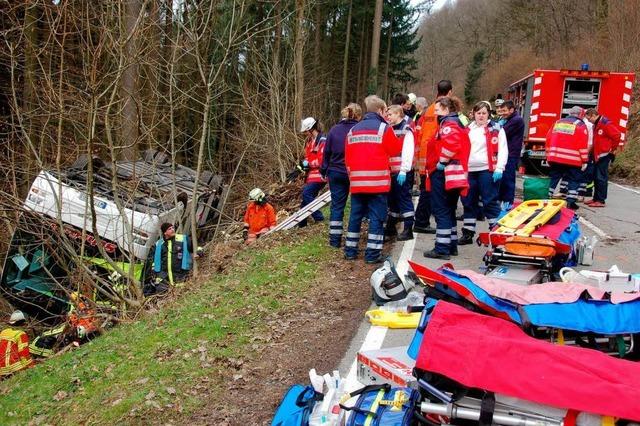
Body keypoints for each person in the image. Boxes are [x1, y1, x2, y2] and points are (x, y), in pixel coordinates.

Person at [344, 95, 402, 263]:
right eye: (385, 111)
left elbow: (347, 158)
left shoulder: (353, 129)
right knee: (377, 218)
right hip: (377, 183)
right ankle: (372, 255)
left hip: (357, 183)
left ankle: (350, 251)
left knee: (355, 216)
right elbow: (394, 149)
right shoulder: (384, 129)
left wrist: (353, 177)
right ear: (380, 110)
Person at [423, 96, 470, 260]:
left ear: (445, 108)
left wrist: (442, 161)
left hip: (445, 172)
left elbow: (452, 144)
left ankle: (442, 248)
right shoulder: (454, 122)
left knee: (441, 209)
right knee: (449, 209)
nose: (435, 113)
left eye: (437, 110)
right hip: (454, 173)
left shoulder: (448, 124)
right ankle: (451, 244)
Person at [459, 101, 508, 245]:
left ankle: (496, 232)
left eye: (484, 113)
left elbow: (503, 149)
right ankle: (468, 233)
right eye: (478, 113)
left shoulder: (497, 129)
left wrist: (500, 168)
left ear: (489, 114)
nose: (481, 116)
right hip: (469, 170)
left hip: (487, 169)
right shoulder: (468, 129)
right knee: (468, 202)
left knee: (489, 201)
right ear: (473, 114)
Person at [414, 80, 456, 234]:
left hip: (425, 155)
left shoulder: (428, 110)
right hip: (433, 156)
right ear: (450, 92)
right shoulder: (442, 109)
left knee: (427, 189)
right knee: (428, 190)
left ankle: (421, 220)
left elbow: (420, 133)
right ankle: (421, 221)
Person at [321, 103, 362, 248]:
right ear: (358, 116)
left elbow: (326, 153)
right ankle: (352, 240)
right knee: (356, 206)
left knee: (337, 206)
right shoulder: (358, 130)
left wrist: (323, 170)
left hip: (335, 172)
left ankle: (334, 240)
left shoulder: (334, 130)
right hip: (354, 172)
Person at [546, 106, 589, 210]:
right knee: (574, 180)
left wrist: (548, 155)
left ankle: (545, 197)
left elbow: (548, 138)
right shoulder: (581, 126)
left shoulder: (558, 123)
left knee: (554, 178)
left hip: (556, 157)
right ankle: (570, 202)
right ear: (580, 115)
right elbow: (583, 144)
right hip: (573, 159)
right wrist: (585, 160)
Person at [385, 104, 416, 241]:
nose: (388, 117)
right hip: (392, 171)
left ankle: (408, 228)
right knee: (393, 200)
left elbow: (408, 151)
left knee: (404, 199)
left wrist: (404, 170)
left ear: (398, 114)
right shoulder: (390, 129)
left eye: (390, 114)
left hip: (402, 172)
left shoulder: (406, 129)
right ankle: (391, 227)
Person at [148, 222, 200, 295]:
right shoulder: (159, 244)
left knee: (181, 295)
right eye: (169, 229)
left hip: (180, 274)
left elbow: (195, 247)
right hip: (164, 277)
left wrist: (199, 252)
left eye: (173, 228)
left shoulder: (183, 239)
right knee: (163, 296)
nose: (172, 230)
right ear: (165, 233)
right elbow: (154, 259)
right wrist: (154, 271)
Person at [584, 108, 622, 207]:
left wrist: (612, 149)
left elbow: (617, 135)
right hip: (597, 155)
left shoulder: (605, 123)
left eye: (589, 119)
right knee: (596, 177)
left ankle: (601, 200)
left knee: (601, 178)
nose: (589, 121)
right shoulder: (597, 124)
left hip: (604, 155)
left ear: (593, 115)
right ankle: (596, 198)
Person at [496, 100, 525, 209]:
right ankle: (501, 200)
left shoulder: (516, 120)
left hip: (511, 153)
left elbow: (502, 133)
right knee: (503, 179)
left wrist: (498, 127)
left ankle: (508, 201)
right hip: (507, 152)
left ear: (511, 110)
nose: (502, 113)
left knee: (508, 178)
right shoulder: (510, 119)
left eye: (504, 111)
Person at [298, 117, 327, 227]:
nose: (305, 134)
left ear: (311, 129)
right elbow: (308, 157)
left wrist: (309, 164)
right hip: (312, 175)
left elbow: (322, 161)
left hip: (320, 175)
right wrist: (303, 164)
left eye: (306, 131)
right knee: (306, 200)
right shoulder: (310, 142)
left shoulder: (322, 141)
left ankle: (319, 218)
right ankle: (302, 223)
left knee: (306, 194)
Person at [0, 310, 34, 376]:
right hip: (15, 368)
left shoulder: (3, 332)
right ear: (23, 323)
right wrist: (30, 366)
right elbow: (23, 353)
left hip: (1, 370)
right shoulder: (21, 334)